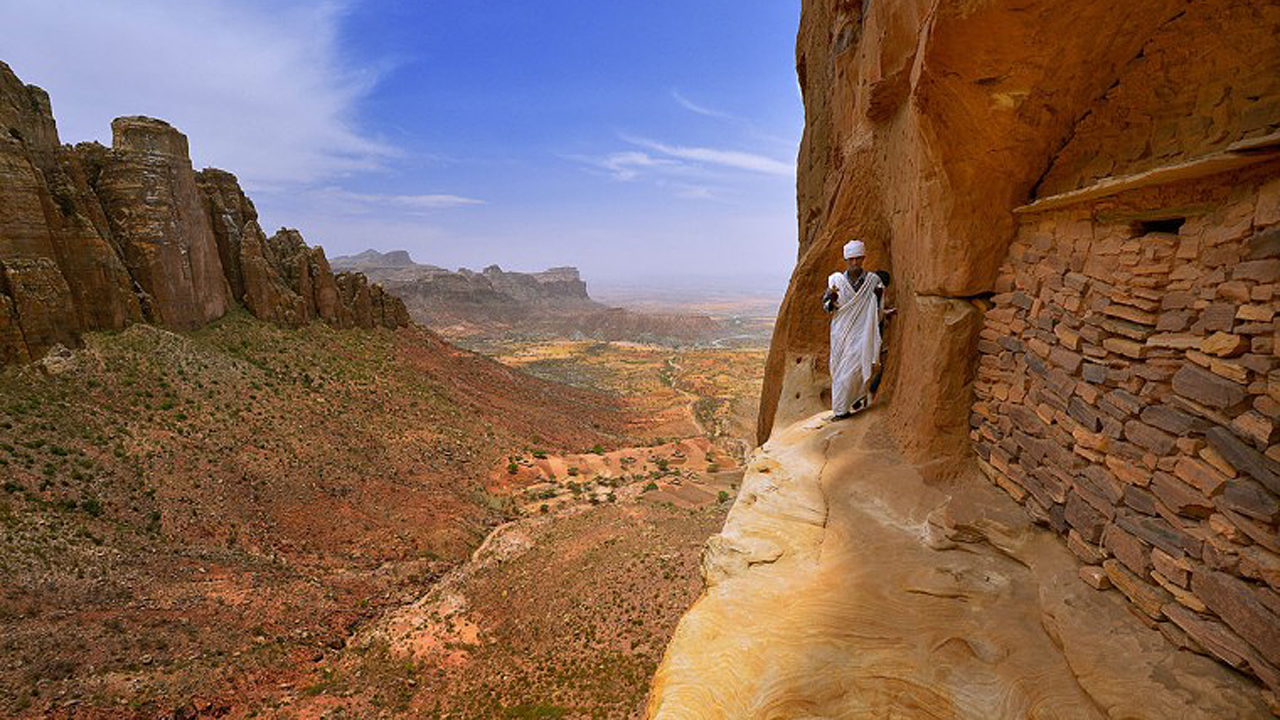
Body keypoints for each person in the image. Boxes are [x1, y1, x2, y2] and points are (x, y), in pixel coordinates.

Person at [822, 239, 893, 419]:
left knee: (853, 370)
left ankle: (842, 410)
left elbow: (876, 307)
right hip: (841, 333)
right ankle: (849, 402)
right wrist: (830, 297)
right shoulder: (836, 280)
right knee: (839, 370)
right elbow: (827, 307)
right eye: (851, 259)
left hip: (861, 333)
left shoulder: (872, 281)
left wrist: (882, 306)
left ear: (863, 258)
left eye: (858, 259)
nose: (854, 263)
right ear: (846, 260)